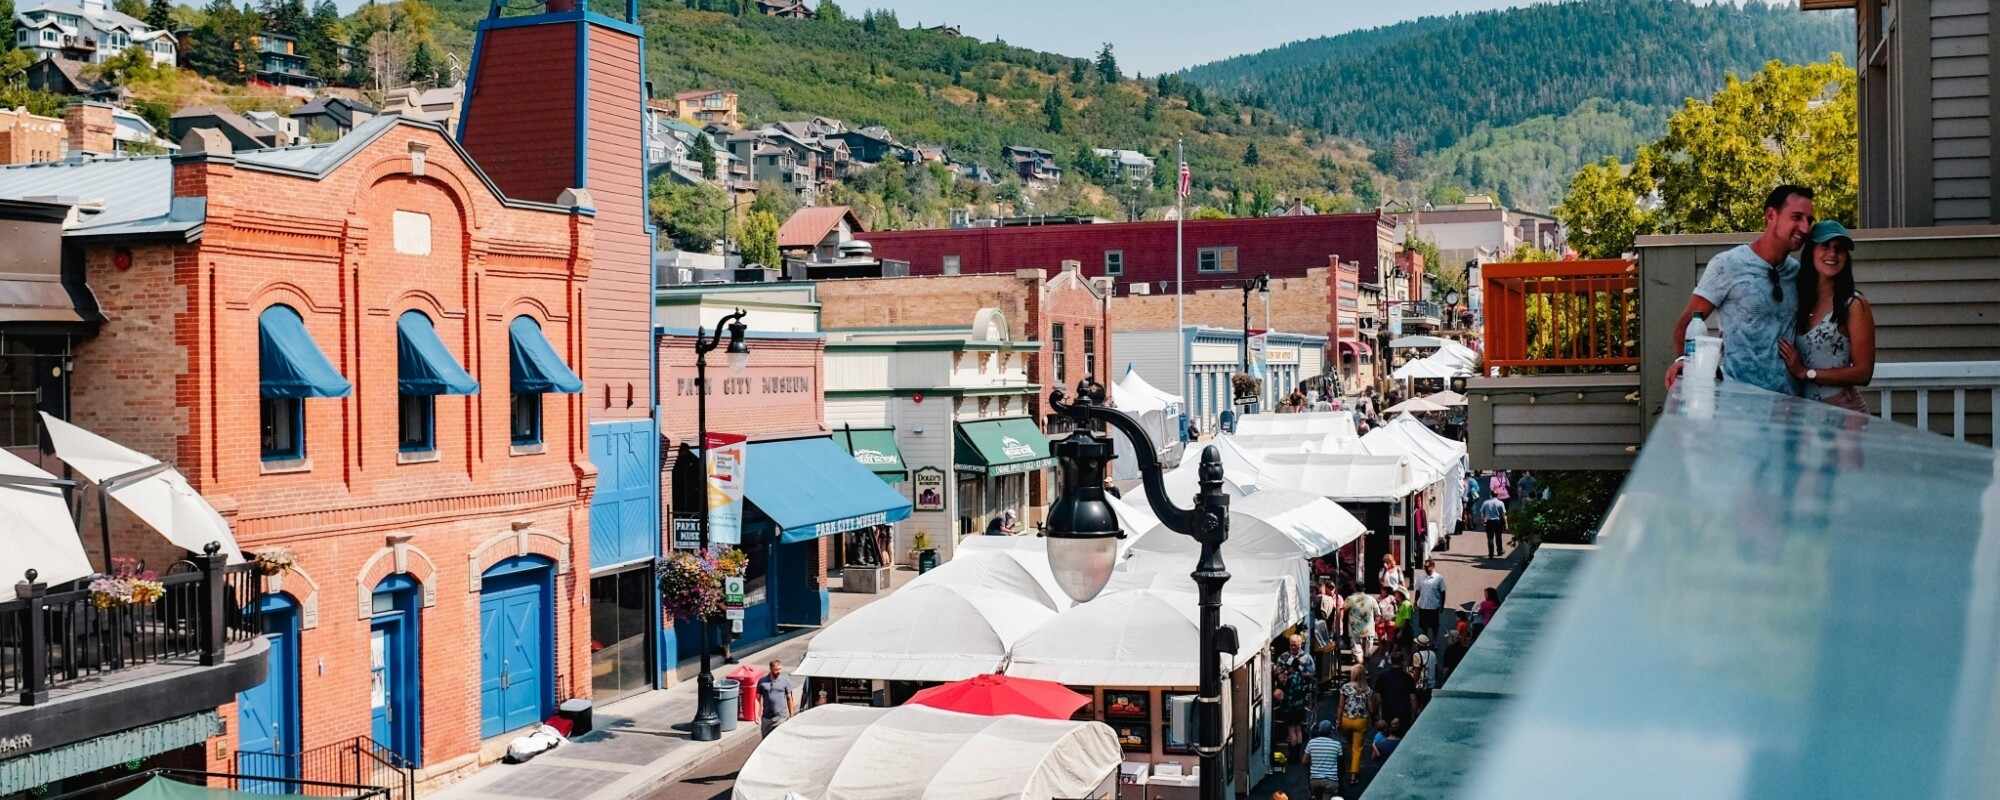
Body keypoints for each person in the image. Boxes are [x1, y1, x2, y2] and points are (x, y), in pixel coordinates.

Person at [1670, 184, 1815, 393]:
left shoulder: (1798, 273)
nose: (1805, 228)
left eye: (1809, 220)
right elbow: (1688, 323)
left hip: (1788, 405)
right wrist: (1684, 360)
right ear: (1771, 215)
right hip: (1738, 401)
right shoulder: (1728, 265)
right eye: (1797, 217)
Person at [1778, 220, 1875, 412]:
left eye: (1839, 249)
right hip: (1804, 412)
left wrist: (1806, 373)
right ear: (1811, 251)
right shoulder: (1798, 300)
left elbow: (1864, 373)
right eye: (1825, 246)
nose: (1833, 253)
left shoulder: (1853, 304)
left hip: (1842, 410)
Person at [1274, 634, 1317, 759]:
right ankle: (1297, 753)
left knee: (1292, 729)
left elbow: (1311, 675)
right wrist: (1281, 673)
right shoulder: (1284, 657)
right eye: (1292, 645)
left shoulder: (1306, 658)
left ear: (1300, 644)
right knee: (1297, 727)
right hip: (1297, 698)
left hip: (1295, 696)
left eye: (1296, 645)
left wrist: (1297, 672)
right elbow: (1276, 671)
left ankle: (1293, 755)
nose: (1293, 647)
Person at [1336, 667, 1376, 782]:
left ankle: (1353, 764)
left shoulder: (1345, 687)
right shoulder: (1366, 688)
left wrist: (1338, 721)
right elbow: (1371, 708)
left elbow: (1340, 706)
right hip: (1360, 721)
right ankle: (1354, 774)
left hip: (1346, 719)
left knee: (1350, 744)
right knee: (1357, 748)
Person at [1304, 720, 1346, 800]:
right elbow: (1341, 763)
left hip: (1314, 781)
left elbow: (1305, 760)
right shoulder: (1337, 745)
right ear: (1330, 732)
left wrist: (1311, 768)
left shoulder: (1311, 743)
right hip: (1330, 781)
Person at [757, 659, 796, 736]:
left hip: (781, 717)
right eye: (776, 670)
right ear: (770, 669)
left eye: (780, 669)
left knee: (778, 739)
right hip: (766, 718)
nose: (779, 671)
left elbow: (789, 698)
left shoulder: (785, 680)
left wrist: (792, 714)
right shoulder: (762, 681)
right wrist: (756, 715)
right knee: (765, 741)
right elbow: (757, 698)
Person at [1414, 560, 1446, 642]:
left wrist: (1442, 605)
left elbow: (1443, 592)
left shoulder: (1439, 578)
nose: (1425, 568)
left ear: (1432, 567)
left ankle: (1434, 641)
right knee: (1423, 626)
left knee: (1434, 626)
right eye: (1424, 567)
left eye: (1427, 567)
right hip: (1423, 606)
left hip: (1433, 606)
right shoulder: (1421, 577)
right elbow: (1418, 590)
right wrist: (1415, 601)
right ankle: (1424, 641)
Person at [1345, 583, 1377, 662]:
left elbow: (1344, 610)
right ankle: (1365, 670)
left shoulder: (1350, 599)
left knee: (1358, 652)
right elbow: (1378, 613)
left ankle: (1360, 670)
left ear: (1355, 588)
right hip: (1368, 629)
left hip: (1355, 629)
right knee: (1367, 653)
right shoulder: (1371, 598)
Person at [1410, 636, 1437, 715]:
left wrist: (1411, 684)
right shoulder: (1433, 653)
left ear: (1419, 645)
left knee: (1418, 703)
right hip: (1432, 684)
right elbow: (1436, 669)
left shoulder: (1417, 655)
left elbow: (1417, 672)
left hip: (1421, 686)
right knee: (1427, 704)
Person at [1478, 493, 1509, 558]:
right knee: (1498, 537)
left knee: (1490, 538)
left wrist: (1483, 520)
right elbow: (1503, 514)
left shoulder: (1485, 503)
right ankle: (1499, 551)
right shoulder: (1500, 503)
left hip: (1489, 522)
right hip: (1498, 522)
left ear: (1490, 495)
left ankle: (1491, 553)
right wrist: (1505, 523)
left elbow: (1482, 512)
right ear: (1497, 495)